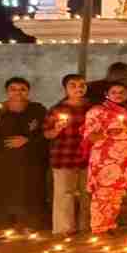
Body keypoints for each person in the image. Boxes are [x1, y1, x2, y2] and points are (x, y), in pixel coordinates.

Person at [0, 77, 48, 230]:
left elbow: (45, 133)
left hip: (29, 159)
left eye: (22, 89)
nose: (18, 92)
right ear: (7, 91)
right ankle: (0, 225)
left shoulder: (37, 109)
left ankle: (28, 224)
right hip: (2, 159)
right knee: (1, 190)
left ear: (28, 91)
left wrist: (27, 140)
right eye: (13, 89)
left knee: (29, 190)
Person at [83, 82, 127, 236]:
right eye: (114, 92)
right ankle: (99, 228)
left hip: (124, 159)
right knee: (102, 194)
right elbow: (90, 136)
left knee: (117, 195)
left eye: (122, 92)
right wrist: (109, 133)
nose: (118, 95)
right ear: (107, 94)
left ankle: (110, 225)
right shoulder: (97, 111)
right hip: (105, 159)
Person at [44, 73, 91, 235]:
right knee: (64, 194)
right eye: (73, 85)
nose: (78, 88)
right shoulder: (57, 109)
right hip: (64, 156)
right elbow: (46, 134)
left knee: (88, 193)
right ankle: (64, 229)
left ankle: (86, 226)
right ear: (65, 88)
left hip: (89, 157)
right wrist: (57, 129)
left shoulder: (92, 108)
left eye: (82, 85)